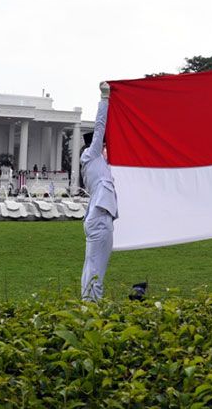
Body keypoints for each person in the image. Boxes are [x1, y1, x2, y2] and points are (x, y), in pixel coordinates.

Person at [80, 82, 117, 301]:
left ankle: (89, 302)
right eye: (103, 145)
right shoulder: (91, 156)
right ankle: (92, 305)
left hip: (99, 217)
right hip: (100, 219)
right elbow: (100, 126)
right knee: (96, 267)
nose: (105, 148)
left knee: (92, 265)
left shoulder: (98, 165)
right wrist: (105, 100)